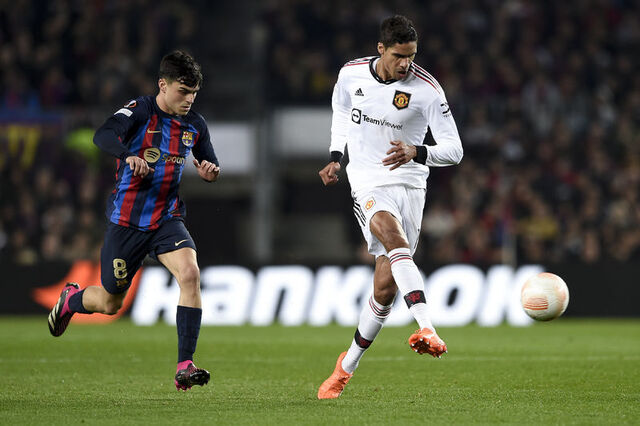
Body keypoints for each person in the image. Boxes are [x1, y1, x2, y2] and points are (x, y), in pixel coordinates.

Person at [47, 50, 220, 391]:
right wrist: (128, 156)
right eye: (183, 91)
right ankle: (71, 300)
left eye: (194, 93)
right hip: (126, 222)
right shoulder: (140, 111)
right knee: (111, 303)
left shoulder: (195, 125)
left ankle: (184, 365)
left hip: (167, 219)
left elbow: (209, 161)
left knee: (190, 274)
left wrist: (210, 171)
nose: (189, 100)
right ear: (163, 85)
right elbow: (103, 135)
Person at [317, 15, 463, 399]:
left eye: (411, 55)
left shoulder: (427, 90)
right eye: (399, 56)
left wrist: (417, 151)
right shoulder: (351, 74)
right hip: (367, 181)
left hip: (410, 185)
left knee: (384, 289)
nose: (406, 63)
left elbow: (455, 151)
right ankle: (427, 327)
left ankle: (346, 366)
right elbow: (341, 111)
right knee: (392, 237)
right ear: (381, 49)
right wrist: (336, 156)